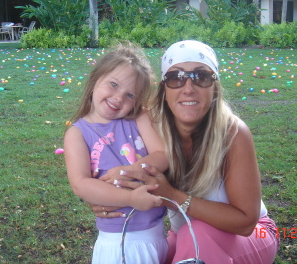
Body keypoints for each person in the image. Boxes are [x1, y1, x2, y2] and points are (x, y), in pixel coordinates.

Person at [98, 40, 279, 264]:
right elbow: (117, 170)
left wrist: (173, 197)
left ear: (215, 88)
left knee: (198, 238)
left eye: (201, 76)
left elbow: (245, 222)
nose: (188, 88)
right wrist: (103, 197)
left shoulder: (232, 133)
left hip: (256, 234)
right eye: (176, 78)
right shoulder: (150, 129)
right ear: (164, 89)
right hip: (186, 235)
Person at [64, 43, 169, 264]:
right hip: (119, 243)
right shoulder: (78, 134)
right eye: (113, 84)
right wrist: (130, 198)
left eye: (130, 95)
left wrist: (128, 171)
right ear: (95, 79)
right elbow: (80, 184)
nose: (119, 98)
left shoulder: (138, 117)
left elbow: (162, 154)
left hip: (158, 236)